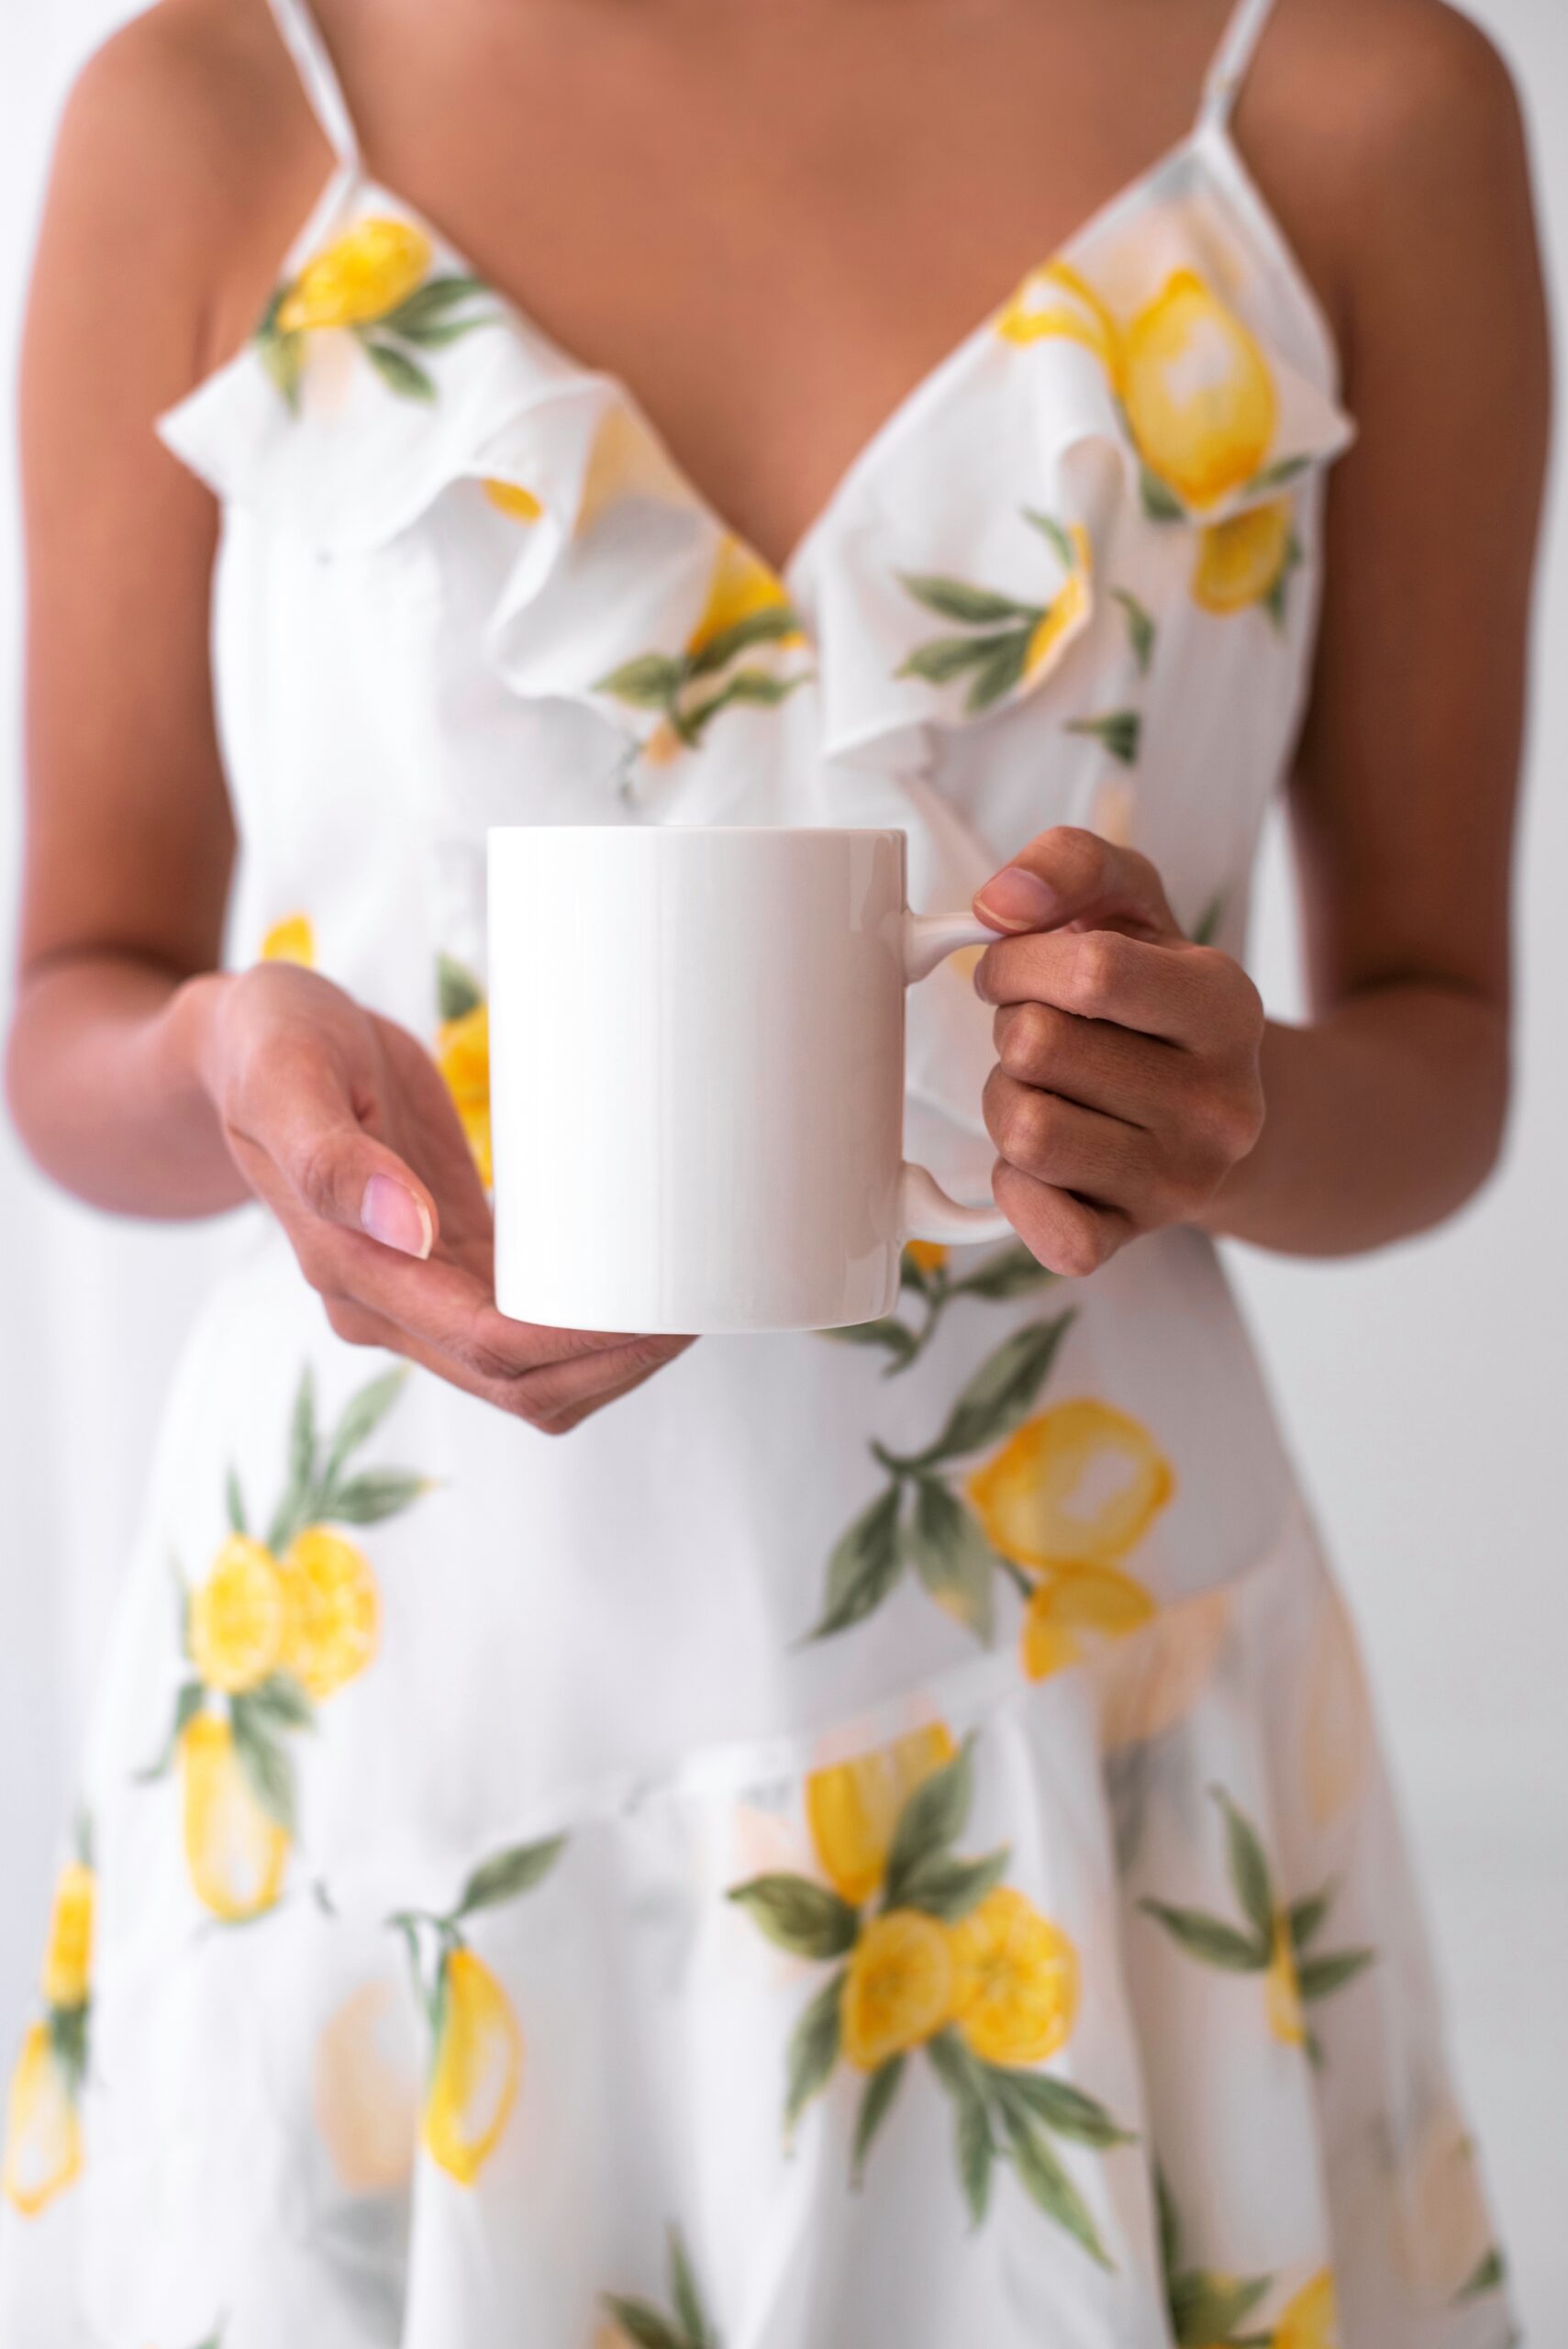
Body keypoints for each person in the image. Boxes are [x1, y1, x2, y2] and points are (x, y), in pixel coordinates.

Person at [1, 0, 1544, 2339]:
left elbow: (1441, 1047)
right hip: (389, 1748)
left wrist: (1234, 1108)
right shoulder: (211, 107)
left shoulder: (1351, 105)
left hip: (1078, 1736)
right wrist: (227, 1047)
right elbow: (73, 995)